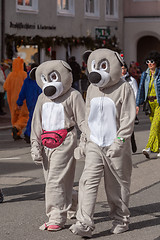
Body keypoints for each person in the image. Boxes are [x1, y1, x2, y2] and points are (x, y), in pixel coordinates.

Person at [70, 49, 136, 237]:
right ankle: (85, 223)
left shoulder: (124, 88)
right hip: (94, 144)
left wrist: (120, 141)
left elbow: (128, 119)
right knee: (87, 182)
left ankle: (121, 219)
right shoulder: (92, 89)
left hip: (116, 146)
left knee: (117, 186)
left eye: (103, 66)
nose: (96, 72)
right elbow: (88, 118)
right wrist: (83, 140)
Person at [136, 51, 160, 158]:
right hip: (150, 103)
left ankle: (148, 147)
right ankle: (157, 147)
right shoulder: (145, 74)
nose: (149, 64)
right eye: (148, 62)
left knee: (155, 125)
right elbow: (141, 88)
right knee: (156, 126)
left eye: (152, 61)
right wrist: (137, 104)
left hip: (159, 103)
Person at [3, 57, 29, 140]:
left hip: (12, 100)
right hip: (23, 99)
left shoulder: (10, 75)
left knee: (14, 116)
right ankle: (17, 128)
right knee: (24, 116)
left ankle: (16, 133)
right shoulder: (24, 74)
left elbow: (5, 87)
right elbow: (28, 87)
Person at [16, 63, 42, 143]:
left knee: (32, 118)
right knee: (38, 119)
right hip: (39, 102)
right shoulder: (40, 79)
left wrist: (19, 102)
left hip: (30, 102)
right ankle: (31, 134)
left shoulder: (27, 80)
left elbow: (22, 92)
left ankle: (29, 134)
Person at [121, 63, 138, 153]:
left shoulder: (131, 80)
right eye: (121, 68)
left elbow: (135, 93)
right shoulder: (116, 80)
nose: (123, 70)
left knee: (129, 127)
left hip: (129, 106)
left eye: (124, 68)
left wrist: (135, 106)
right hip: (119, 107)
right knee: (120, 128)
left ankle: (132, 141)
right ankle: (123, 146)